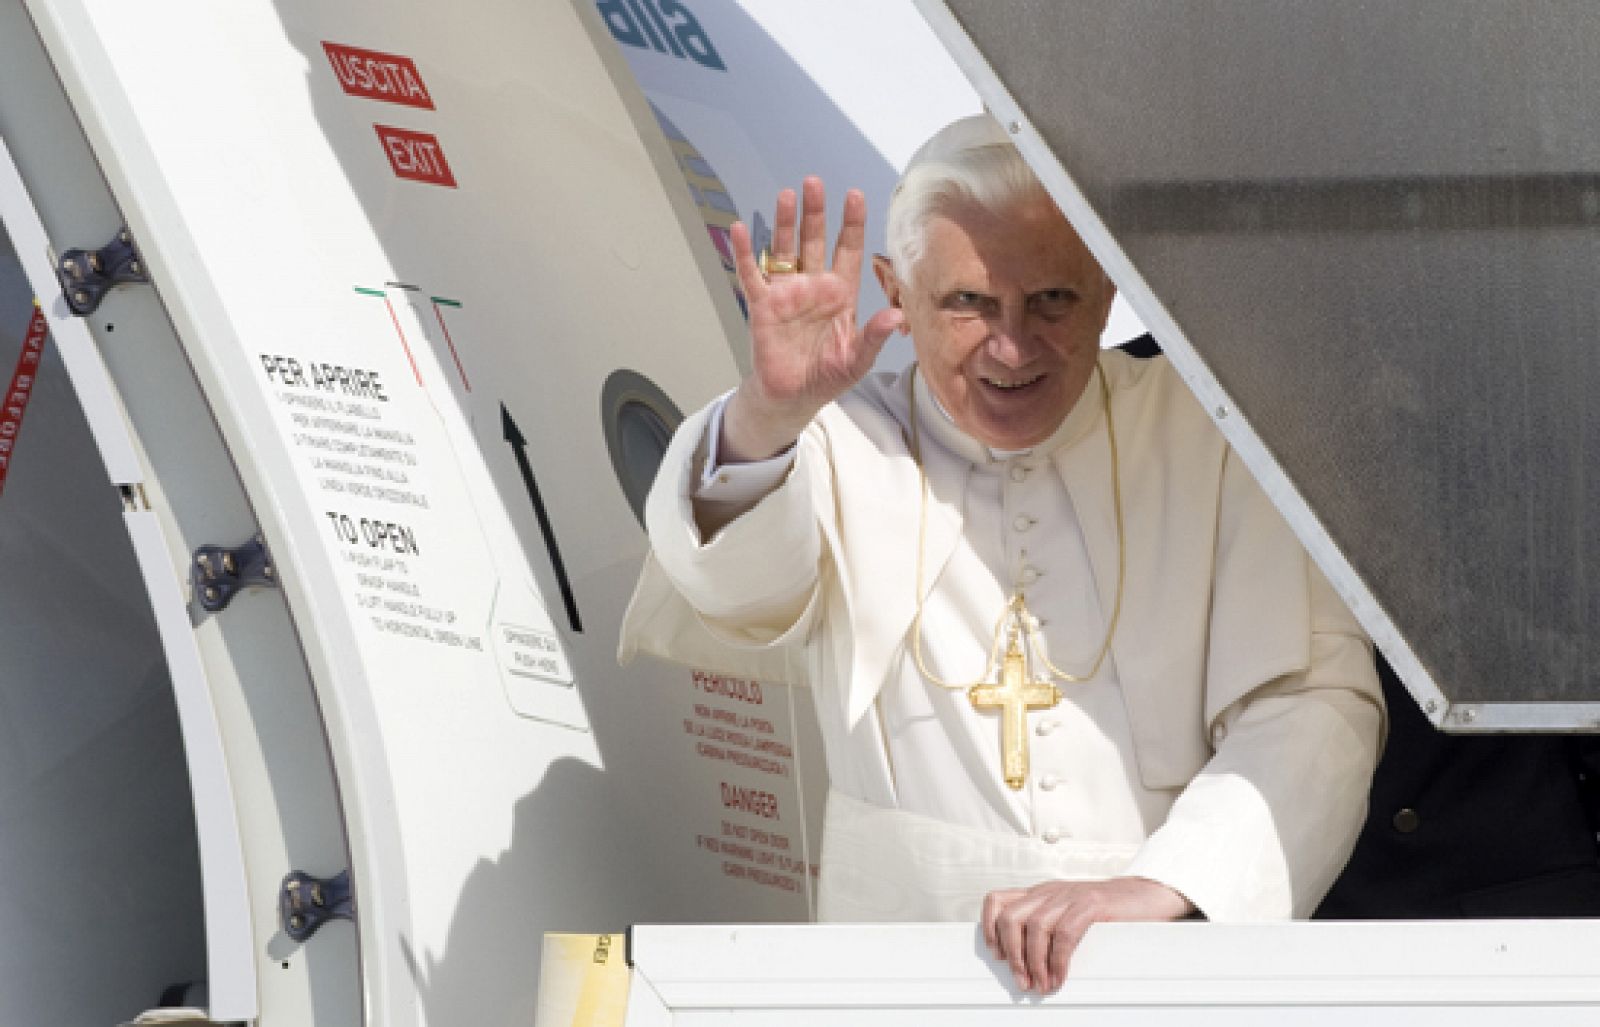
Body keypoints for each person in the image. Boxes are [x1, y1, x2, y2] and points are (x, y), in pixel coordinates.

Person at [619, 114, 1385, 995]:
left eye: (1052, 300)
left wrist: (1167, 884)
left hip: (1166, 975)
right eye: (968, 304)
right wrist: (765, 414)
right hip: (899, 985)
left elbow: (1313, 702)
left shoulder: (1212, 434)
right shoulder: (836, 441)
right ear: (895, 296)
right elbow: (733, 583)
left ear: (1106, 289)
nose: (1013, 346)